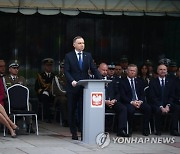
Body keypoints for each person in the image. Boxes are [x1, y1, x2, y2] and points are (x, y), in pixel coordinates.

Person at [64, 36, 102, 140]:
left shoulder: (88, 55)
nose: (82, 45)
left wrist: (102, 80)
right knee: (72, 110)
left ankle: (83, 131)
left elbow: (93, 69)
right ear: (74, 45)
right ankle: (74, 132)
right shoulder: (69, 56)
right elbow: (66, 71)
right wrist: (72, 81)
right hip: (73, 87)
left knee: (83, 111)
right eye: (80, 43)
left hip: (84, 88)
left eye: (83, 43)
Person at [120, 64, 151, 136]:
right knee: (130, 110)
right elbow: (122, 95)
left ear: (136, 72)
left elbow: (143, 94)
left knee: (148, 108)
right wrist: (132, 102)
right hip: (128, 102)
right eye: (131, 70)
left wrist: (140, 101)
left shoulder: (140, 81)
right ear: (127, 71)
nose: (132, 72)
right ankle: (130, 128)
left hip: (138, 102)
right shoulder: (122, 82)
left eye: (134, 71)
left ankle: (145, 129)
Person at [98, 63, 128, 137]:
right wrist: (104, 101)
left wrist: (114, 100)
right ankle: (99, 129)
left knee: (123, 108)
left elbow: (118, 92)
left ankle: (121, 130)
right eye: (103, 70)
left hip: (112, 102)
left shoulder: (113, 80)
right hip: (100, 102)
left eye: (106, 70)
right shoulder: (95, 80)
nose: (105, 72)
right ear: (98, 70)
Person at [149, 64, 180, 136]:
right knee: (157, 110)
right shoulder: (153, 82)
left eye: (164, 69)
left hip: (167, 104)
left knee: (177, 108)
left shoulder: (171, 82)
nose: (162, 71)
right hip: (156, 104)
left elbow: (172, 95)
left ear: (166, 71)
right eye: (160, 69)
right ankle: (158, 130)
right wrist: (161, 106)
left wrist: (168, 105)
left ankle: (174, 130)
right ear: (157, 71)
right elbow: (152, 97)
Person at [5, 61, 35, 133]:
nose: (16, 70)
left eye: (17, 68)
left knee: (29, 104)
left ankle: (29, 125)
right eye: (14, 68)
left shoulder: (22, 79)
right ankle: (10, 126)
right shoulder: (5, 79)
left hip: (21, 101)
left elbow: (25, 91)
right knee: (7, 105)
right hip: (10, 100)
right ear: (9, 69)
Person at [35, 58, 55, 123]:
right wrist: (43, 91)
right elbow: (37, 87)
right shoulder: (40, 76)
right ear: (44, 66)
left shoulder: (54, 76)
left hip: (52, 94)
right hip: (43, 95)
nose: (49, 67)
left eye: (50, 65)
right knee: (45, 97)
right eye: (47, 65)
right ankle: (48, 117)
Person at [52, 61, 68, 127]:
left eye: (65, 68)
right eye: (62, 68)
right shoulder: (57, 77)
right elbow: (56, 90)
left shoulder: (70, 76)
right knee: (63, 100)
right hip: (59, 96)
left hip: (69, 95)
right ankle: (66, 120)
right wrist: (66, 93)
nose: (63, 69)